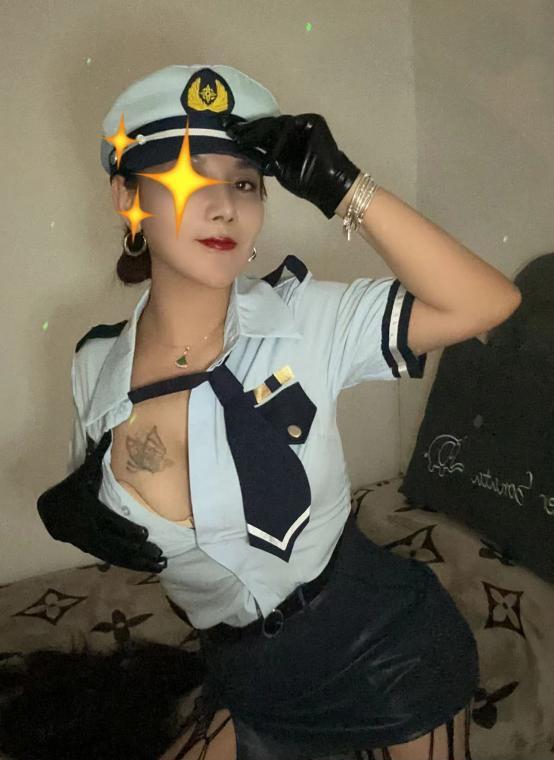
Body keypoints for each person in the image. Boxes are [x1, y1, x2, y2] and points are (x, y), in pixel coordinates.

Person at [37, 64, 521, 760]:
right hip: (246, 675)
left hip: (386, 655)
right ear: (127, 195)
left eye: (244, 183)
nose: (224, 207)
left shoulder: (308, 320)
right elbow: (108, 501)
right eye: (190, 177)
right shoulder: (93, 365)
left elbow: (489, 303)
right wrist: (76, 508)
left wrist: (344, 185)